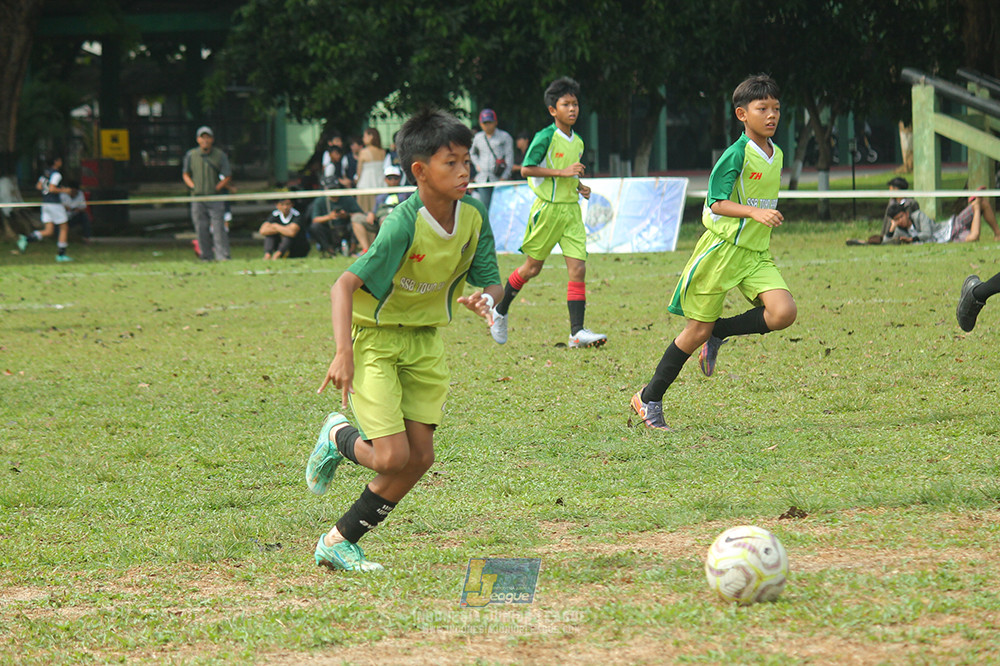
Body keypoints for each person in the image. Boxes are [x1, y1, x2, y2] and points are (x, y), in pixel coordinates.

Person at [307, 108, 503, 571]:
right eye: (450, 162)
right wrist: (344, 352)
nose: (463, 171)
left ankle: (339, 541)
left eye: (466, 161)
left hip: (426, 343)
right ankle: (337, 436)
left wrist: (488, 302)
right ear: (420, 171)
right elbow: (343, 286)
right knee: (392, 457)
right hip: (376, 341)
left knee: (419, 458)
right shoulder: (402, 224)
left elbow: (491, 281)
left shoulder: (473, 217)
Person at [631, 74, 797, 430]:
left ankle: (720, 331)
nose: (771, 115)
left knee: (783, 313)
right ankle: (649, 399)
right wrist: (755, 212)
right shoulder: (736, 155)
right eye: (762, 108)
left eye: (776, 109)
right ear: (742, 114)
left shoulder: (776, 153)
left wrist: (758, 218)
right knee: (694, 333)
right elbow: (716, 203)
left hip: (755, 254)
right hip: (721, 251)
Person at [489, 77, 606, 349]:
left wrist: (579, 186)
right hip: (548, 211)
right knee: (532, 268)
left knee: (578, 268)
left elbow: (569, 171)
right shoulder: (545, 137)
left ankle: (576, 332)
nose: (572, 109)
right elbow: (527, 168)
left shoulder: (577, 141)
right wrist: (563, 173)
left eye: (575, 104)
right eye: (566, 104)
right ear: (553, 110)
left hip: (571, 212)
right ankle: (500, 310)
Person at [182, 126, 232, 261]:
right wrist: (193, 186)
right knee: (201, 228)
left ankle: (223, 256)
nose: (205, 140)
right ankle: (206, 256)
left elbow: (227, 175)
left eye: (207, 137)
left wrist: (218, 187)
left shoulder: (219, 155)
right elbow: (186, 174)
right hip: (197, 198)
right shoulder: (191, 155)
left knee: (218, 229)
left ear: (212, 139)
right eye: (202, 137)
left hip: (215, 198)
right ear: (198, 140)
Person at [18, 156, 74, 261]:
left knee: (48, 231)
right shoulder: (56, 174)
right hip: (54, 204)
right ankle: (61, 255)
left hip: (46, 204)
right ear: (56, 162)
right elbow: (52, 188)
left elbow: (39, 186)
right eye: (60, 160)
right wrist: (64, 191)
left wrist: (48, 189)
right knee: (64, 228)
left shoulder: (46, 173)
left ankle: (26, 238)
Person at [883, 194, 998, 244]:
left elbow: (927, 233)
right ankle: (976, 205)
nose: (900, 221)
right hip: (949, 238)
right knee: (973, 238)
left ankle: (998, 234)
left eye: (901, 217)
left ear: (907, 213)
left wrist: (912, 240)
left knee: (983, 202)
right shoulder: (900, 230)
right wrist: (892, 227)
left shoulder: (918, 215)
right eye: (896, 219)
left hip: (952, 225)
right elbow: (885, 243)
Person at [357, 165, 410, 254]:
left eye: (395, 178)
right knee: (357, 218)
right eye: (389, 178)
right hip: (379, 219)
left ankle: (387, 250)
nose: (392, 181)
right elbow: (375, 210)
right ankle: (366, 250)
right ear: (385, 179)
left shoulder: (406, 192)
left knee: (386, 220)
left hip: (399, 220)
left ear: (400, 178)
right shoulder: (381, 194)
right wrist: (371, 213)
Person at [470, 108, 514, 209]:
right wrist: (477, 164)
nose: (487, 125)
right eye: (485, 123)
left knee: (500, 208)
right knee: (485, 207)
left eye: (490, 122)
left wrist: (505, 176)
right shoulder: (478, 137)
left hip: (500, 178)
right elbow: (472, 153)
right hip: (483, 178)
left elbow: (509, 158)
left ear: (495, 122)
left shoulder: (505, 137)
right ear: (480, 124)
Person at [309, 187, 365, 257]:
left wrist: (346, 215)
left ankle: (352, 251)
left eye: (335, 188)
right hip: (330, 229)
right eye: (331, 189)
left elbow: (360, 214)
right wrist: (329, 217)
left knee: (355, 221)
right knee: (315, 227)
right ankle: (330, 251)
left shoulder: (347, 198)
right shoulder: (320, 200)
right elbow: (315, 219)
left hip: (346, 227)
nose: (333, 192)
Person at [355, 128, 387, 214]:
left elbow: (359, 170)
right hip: (380, 182)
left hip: (366, 183)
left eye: (365, 136)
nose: (363, 139)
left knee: (365, 210)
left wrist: (357, 181)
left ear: (371, 136)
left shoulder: (363, 152)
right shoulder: (382, 152)